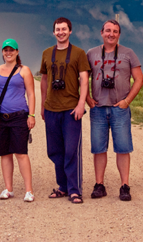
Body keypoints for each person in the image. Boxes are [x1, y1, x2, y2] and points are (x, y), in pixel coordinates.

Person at [86, 20, 143, 201]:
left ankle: (124, 185)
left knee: (123, 148)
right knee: (98, 149)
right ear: (101, 32)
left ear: (119, 34)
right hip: (98, 108)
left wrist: (127, 101)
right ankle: (99, 184)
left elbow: (139, 79)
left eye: (115, 31)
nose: (111, 34)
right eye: (108, 31)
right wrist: (88, 99)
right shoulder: (91, 53)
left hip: (120, 108)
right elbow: (82, 78)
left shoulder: (128, 53)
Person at [40, 17, 90, 204]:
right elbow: (44, 80)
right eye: (57, 29)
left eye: (64, 29)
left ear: (70, 31)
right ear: (53, 32)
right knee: (55, 150)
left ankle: (74, 189)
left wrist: (81, 104)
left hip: (71, 109)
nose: (60, 32)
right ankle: (62, 186)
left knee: (71, 150)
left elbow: (84, 79)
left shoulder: (78, 53)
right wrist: (43, 104)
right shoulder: (46, 53)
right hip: (52, 108)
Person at [0, 39, 36, 202]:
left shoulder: (24, 70)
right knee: (5, 153)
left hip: (19, 116)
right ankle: (8, 188)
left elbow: (31, 94)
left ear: (17, 52)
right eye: (5, 50)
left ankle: (29, 190)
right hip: (1, 118)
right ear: (2, 52)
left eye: (11, 50)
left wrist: (31, 115)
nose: (8, 53)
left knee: (21, 153)